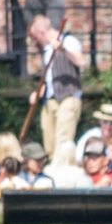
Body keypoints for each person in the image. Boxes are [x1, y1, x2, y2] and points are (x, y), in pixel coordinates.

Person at [28, 15, 85, 159]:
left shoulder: (68, 41)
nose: (36, 43)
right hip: (50, 101)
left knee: (63, 143)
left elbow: (81, 61)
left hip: (68, 97)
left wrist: (63, 49)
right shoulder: (47, 50)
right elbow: (49, 78)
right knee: (50, 146)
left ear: (42, 32)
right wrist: (37, 93)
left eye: (35, 38)